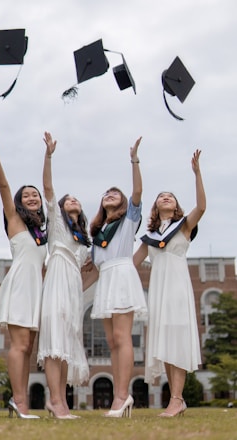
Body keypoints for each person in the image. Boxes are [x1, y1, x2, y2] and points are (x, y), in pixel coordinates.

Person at [133, 149, 206, 417]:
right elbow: (132, 264)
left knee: (177, 336)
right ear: (156, 206)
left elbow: (202, 207)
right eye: (161, 196)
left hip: (177, 285)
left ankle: (176, 399)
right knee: (164, 340)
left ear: (176, 206)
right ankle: (176, 400)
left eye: (171, 197)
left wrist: (197, 174)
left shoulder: (185, 226)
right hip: (158, 289)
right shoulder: (150, 235)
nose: (166, 197)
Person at [0, 133, 47, 419]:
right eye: (27, 195)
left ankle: (19, 403)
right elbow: (3, 185)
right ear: (20, 202)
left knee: (28, 347)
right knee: (19, 345)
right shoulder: (15, 219)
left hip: (37, 288)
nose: (32, 197)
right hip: (21, 285)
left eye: (36, 195)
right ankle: (19, 402)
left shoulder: (43, 232)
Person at [89, 137, 147, 418]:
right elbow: (93, 267)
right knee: (112, 342)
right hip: (106, 282)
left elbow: (137, 191)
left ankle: (123, 397)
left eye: (116, 193)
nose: (110, 194)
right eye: (106, 193)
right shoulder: (97, 234)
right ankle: (119, 396)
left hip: (122, 276)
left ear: (123, 202)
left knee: (123, 338)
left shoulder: (128, 222)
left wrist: (134, 160)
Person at [37, 131, 91, 419]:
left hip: (73, 284)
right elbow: (48, 187)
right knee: (54, 340)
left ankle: (63, 404)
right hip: (57, 275)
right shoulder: (57, 223)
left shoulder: (83, 237)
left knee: (67, 341)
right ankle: (54, 400)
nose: (72, 201)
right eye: (68, 199)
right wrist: (49, 155)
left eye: (76, 200)